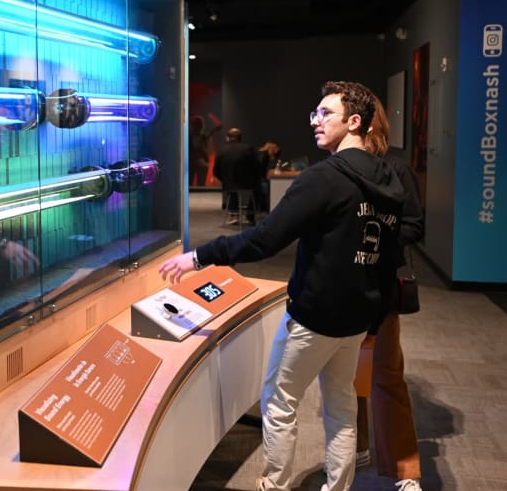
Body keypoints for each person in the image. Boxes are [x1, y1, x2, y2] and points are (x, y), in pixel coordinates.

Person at [159, 81, 407, 491]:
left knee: (279, 400)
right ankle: (338, 486)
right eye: (315, 112)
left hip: (314, 316)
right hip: (359, 316)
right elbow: (387, 256)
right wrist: (376, 319)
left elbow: (264, 239)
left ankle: (274, 485)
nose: (315, 121)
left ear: (355, 121)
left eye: (326, 113)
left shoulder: (323, 178)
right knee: (342, 405)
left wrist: (199, 257)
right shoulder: (388, 179)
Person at [355, 96, 424, 491]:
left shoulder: (396, 165)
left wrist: (376, 237)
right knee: (346, 377)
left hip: (382, 286)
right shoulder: (335, 166)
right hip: (341, 286)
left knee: (386, 375)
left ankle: (404, 469)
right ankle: (360, 445)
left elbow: (414, 225)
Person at [213, 127, 262, 224]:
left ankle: (233, 215)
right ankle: (250, 216)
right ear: (240, 138)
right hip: (247, 184)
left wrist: (225, 180)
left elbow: (216, 170)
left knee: (233, 190)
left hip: (228, 185)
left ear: (228, 138)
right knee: (259, 187)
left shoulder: (221, 151)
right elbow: (257, 166)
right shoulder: (248, 149)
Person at [189, 113, 223, 186]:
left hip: (202, 163)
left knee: (200, 185)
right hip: (191, 163)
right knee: (189, 185)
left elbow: (219, 126)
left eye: (201, 125)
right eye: (198, 125)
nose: (201, 127)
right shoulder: (188, 136)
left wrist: (212, 116)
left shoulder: (204, 136)